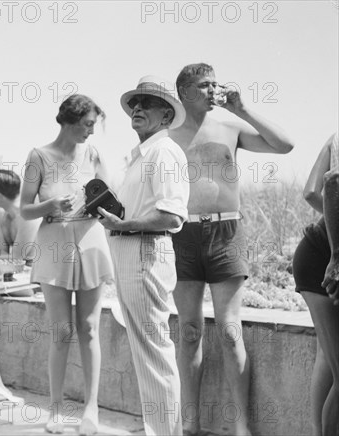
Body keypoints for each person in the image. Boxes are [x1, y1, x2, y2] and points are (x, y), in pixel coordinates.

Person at [169, 63, 294, 435]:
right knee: (189, 330)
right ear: (184, 92)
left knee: (229, 330)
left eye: (215, 84)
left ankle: (242, 425)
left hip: (226, 232)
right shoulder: (166, 136)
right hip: (182, 235)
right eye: (204, 85)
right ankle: (189, 423)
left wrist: (243, 109)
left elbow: (284, 145)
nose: (213, 90)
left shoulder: (230, 126)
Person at [97, 76, 189, 436]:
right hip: (131, 252)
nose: (137, 107)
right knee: (146, 354)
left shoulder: (165, 152)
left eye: (147, 103)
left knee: (154, 354)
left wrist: (125, 224)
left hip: (145, 252)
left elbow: (171, 214)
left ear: (166, 116)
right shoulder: (141, 156)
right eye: (134, 102)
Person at [20, 94, 114, 435]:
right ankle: (56, 409)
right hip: (54, 244)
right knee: (61, 331)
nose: (91, 132)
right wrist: (50, 204)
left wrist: (99, 204)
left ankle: (92, 409)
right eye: (88, 124)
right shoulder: (39, 156)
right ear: (69, 121)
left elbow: (111, 200)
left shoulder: (93, 154)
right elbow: (24, 209)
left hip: (90, 241)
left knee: (89, 329)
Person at [294, 132, 339, 436]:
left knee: (330, 355)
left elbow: (312, 192)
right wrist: (336, 255)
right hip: (325, 259)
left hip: (319, 250)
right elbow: (332, 182)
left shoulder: (334, 136)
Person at [0, 169, 40, 260]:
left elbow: (17, 258)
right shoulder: (1, 215)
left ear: (0, 196)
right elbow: (3, 253)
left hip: (35, 270)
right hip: (14, 270)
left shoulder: (28, 217)